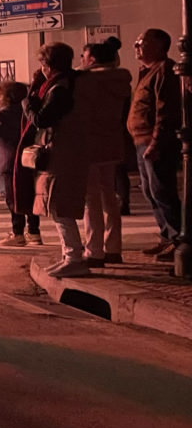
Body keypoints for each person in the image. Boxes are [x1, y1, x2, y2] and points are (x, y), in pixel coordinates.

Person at [23, 43, 92, 278]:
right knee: (60, 203)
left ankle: (73, 257)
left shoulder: (60, 88)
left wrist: (28, 103)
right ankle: (70, 255)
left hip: (64, 151)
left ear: (48, 65)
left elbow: (42, 119)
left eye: (43, 65)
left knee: (59, 205)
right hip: (72, 148)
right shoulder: (75, 82)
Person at [128, 28, 183, 260]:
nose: (136, 46)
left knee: (162, 190)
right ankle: (166, 235)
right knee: (150, 191)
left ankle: (177, 240)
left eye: (141, 42)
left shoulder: (164, 71)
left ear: (160, 46)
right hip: (140, 140)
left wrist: (156, 142)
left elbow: (165, 110)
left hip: (153, 141)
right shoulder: (147, 71)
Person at [79, 38, 132, 266]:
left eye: (84, 56)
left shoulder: (87, 81)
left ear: (92, 58)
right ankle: (113, 248)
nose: (81, 60)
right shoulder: (121, 79)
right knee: (109, 195)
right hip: (112, 141)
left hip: (90, 143)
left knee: (91, 199)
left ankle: (94, 250)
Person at [0, 82, 41, 247]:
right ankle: (34, 232)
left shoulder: (4, 114)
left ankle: (18, 233)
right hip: (29, 159)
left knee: (13, 198)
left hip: (9, 160)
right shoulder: (27, 111)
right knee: (30, 195)